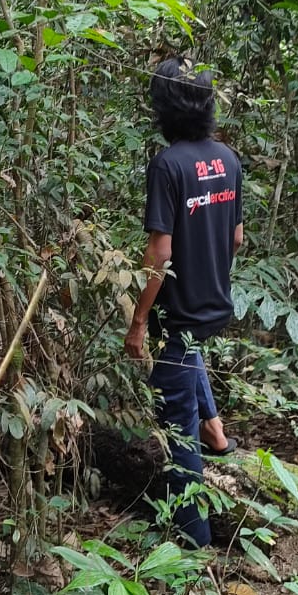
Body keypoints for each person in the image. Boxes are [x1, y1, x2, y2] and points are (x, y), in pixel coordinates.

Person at [124, 58, 243, 548]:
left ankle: (193, 544)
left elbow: (161, 251)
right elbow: (236, 238)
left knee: (176, 430)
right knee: (189, 351)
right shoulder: (229, 160)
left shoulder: (168, 165)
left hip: (179, 306)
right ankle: (216, 433)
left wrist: (137, 319)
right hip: (213, 299)